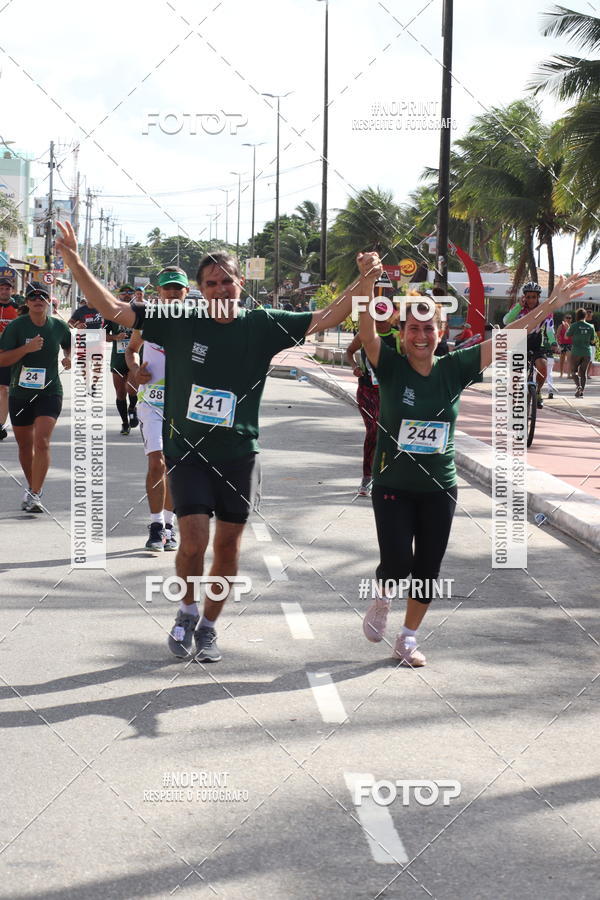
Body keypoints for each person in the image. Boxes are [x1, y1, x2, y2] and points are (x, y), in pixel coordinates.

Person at [56, 219, 380, 663]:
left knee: (228, 546)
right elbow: (113, 308)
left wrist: (366, 281)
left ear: (239, 283)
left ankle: (209, 625)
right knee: (192, 541)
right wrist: (73, 259)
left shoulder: (264, 325)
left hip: (239, 455)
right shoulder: (178, 320)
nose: (221, 289)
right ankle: (186, 608)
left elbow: (328, 316)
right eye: (212, 283)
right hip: (187, 453)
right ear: (200, 289)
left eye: (228, 281)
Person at [359, 273, 587, 667]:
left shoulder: (456, 367)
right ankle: (383, 596)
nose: (420, 336)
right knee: (397, 562)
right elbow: (366, 334)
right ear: (401, 331)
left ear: (440, 329)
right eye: (412, 328)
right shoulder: (391, 367)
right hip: (393, 484)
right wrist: (366, 282)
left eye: (428, 328)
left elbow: (509, 336)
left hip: (439, 488)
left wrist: (548, 306)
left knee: (428, 566)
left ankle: (408, 639)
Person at [125, 266, 184, 552]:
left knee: (176, 466)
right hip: (152, 401)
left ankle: (170, 527)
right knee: (156, 462)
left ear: (186, 292)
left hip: (184, 406)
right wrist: (136, 370)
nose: (172, 292)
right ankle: (156, 525)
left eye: (178, 288)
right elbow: (131, 349)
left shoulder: (197, 321)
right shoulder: (147, 318)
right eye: (168, 288)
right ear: (158, 292)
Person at [0, 283, 71, 512]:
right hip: (20, 393)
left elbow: (72, 347)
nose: (38, 299)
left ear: (49, 301)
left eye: (42, 296)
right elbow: (2, 359)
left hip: (50, 392)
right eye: (33, 296)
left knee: (42, 441)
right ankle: (31, 487)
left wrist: (69, 358)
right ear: (27, 302)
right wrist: (26, 349)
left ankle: (36, 493)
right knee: (25, 446)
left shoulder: (59, 326)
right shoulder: (16, 327)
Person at [345, 300, 400, 496]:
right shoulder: (365, 335)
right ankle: (367, 477)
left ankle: (386, 476)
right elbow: (349, 351)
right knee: (374, 430)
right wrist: (355, 367)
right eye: (376, 315)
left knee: (390, 434)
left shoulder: (398, 337)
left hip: (390, 392)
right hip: (368, 390)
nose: (380, 320)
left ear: (391, 317)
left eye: (384, 316)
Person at [503, 282, 556, 409]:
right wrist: (518, 307)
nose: (531, 300)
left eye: (534, 297)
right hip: (519, 343)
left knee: (543, 367)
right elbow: (506, 321)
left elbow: (549, 329)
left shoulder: (545, 310)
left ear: (538, 297)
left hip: (536, 344)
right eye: (528, 297)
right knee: (516, 375)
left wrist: (553, 343)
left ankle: (537, 392)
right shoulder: (518, 308)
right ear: (524, 297)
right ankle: (513, 404)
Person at [104, 284, 138, 435]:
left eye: (130, 293)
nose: (126, 295)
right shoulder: (111, 313)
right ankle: (125, 423)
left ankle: (132, 408)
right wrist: (115, 337)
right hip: (117, 358)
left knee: (131, 388)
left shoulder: (141, 312)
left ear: (134, 295)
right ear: (119, 295)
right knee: (120, 393)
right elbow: (102, 335)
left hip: (134, 357)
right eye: (123, 293)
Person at [0, 277, 20, 440]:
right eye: (2, 288)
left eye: (7, 289)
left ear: (12, 290)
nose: (4, 291)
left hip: (8, 355)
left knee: (4, 390)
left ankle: (0, 425)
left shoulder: (17, 309)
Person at [567, 308, 596, 398]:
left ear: (577, 316)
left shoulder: (574, 325)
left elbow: (567, 336)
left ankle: (578, 386)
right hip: (586, 352)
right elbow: (593, 340)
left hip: (576, 352)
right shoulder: (591, 327)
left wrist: (568, 327)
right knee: (583, 372)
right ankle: (581, 391)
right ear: (585, 316)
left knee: (574, 372)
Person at [556, 313, 572, 378]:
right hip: (562, 344)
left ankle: (568, 374)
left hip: (570, 344)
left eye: (569, 318)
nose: (568, 319)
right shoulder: (561, 326)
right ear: (564, 319)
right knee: (562, 359)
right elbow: (557, 334)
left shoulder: (572, 326)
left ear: (571, 319)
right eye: (567, 317)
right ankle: (561, 374)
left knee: (569, 359)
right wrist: (558, 343)